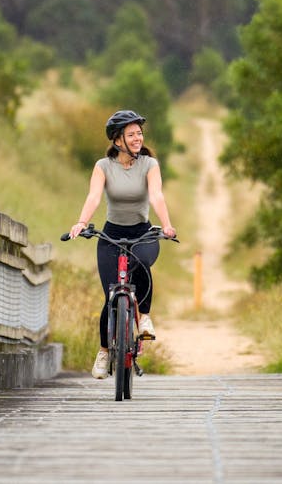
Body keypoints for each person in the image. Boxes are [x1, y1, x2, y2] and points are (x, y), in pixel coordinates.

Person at [69, 109, 177, 379]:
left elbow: (157, 196)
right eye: (131, 135)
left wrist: (166, 224)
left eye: (139, 133)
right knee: (110, 295)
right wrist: (81, 222)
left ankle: (146, 317)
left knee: (142, 265)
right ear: (118, 140)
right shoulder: (103, 166)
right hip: (111, 235)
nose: (138, 138)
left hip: (141, 232)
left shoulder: (149, 164)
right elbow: (94, 196)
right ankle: (105, 352)